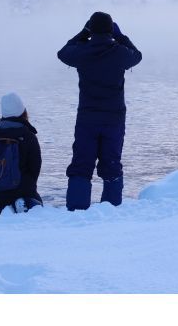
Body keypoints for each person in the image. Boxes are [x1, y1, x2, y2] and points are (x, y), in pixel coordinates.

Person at [57, 11, 142, 210]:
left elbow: (63, 53)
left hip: (87, 118)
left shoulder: (82, 51)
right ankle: (110, 210)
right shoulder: (120, 53)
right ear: (110, 30)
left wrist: (82, 33)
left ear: (91, 30)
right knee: (111, 163)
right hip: (114, 119)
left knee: (81, 163)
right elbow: (137, 56)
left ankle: (77, 210)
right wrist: (120, 37)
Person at [0, 92, 43, 215]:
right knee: (37, 203)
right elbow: (35, 167)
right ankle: (24, 202)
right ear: (23, 111)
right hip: (22, 189)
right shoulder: (28, 135)